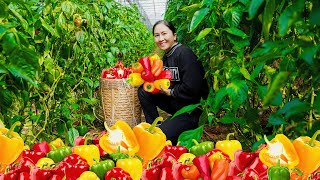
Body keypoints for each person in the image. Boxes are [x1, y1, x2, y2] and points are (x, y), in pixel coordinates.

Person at [138, 20, 209, 145]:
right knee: (144, 91)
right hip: (177, 103)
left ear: (174, 36)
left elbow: (193, 88)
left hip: (191, 108)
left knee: (159, 138)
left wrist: (171, 91)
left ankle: (172, 127)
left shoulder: (184, 54)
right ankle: (154, 125)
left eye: (164, 33)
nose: (161, 38)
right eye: (157, 35)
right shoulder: (167, 56)